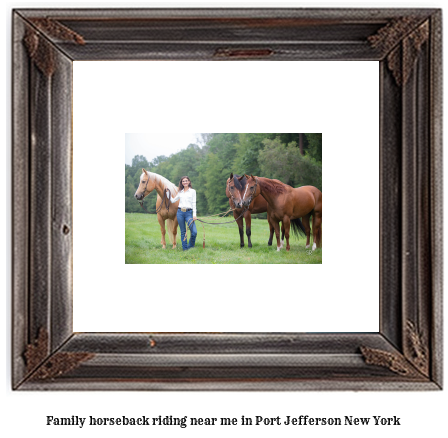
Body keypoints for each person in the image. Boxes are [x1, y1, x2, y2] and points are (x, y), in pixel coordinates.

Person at [166, 176, 198, 251]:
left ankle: (190, 246)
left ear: (189, 182)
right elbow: (173, 200)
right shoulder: (180, 192)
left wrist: (194, 215)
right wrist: (168, 192)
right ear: (182, 183)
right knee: (183, 231)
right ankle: (185, 249)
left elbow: (194, 203)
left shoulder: (193, 191)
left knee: (194, 232)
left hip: (189, 213)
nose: (185, 182)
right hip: (180, 213)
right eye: (183, 181)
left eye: (186, 181)